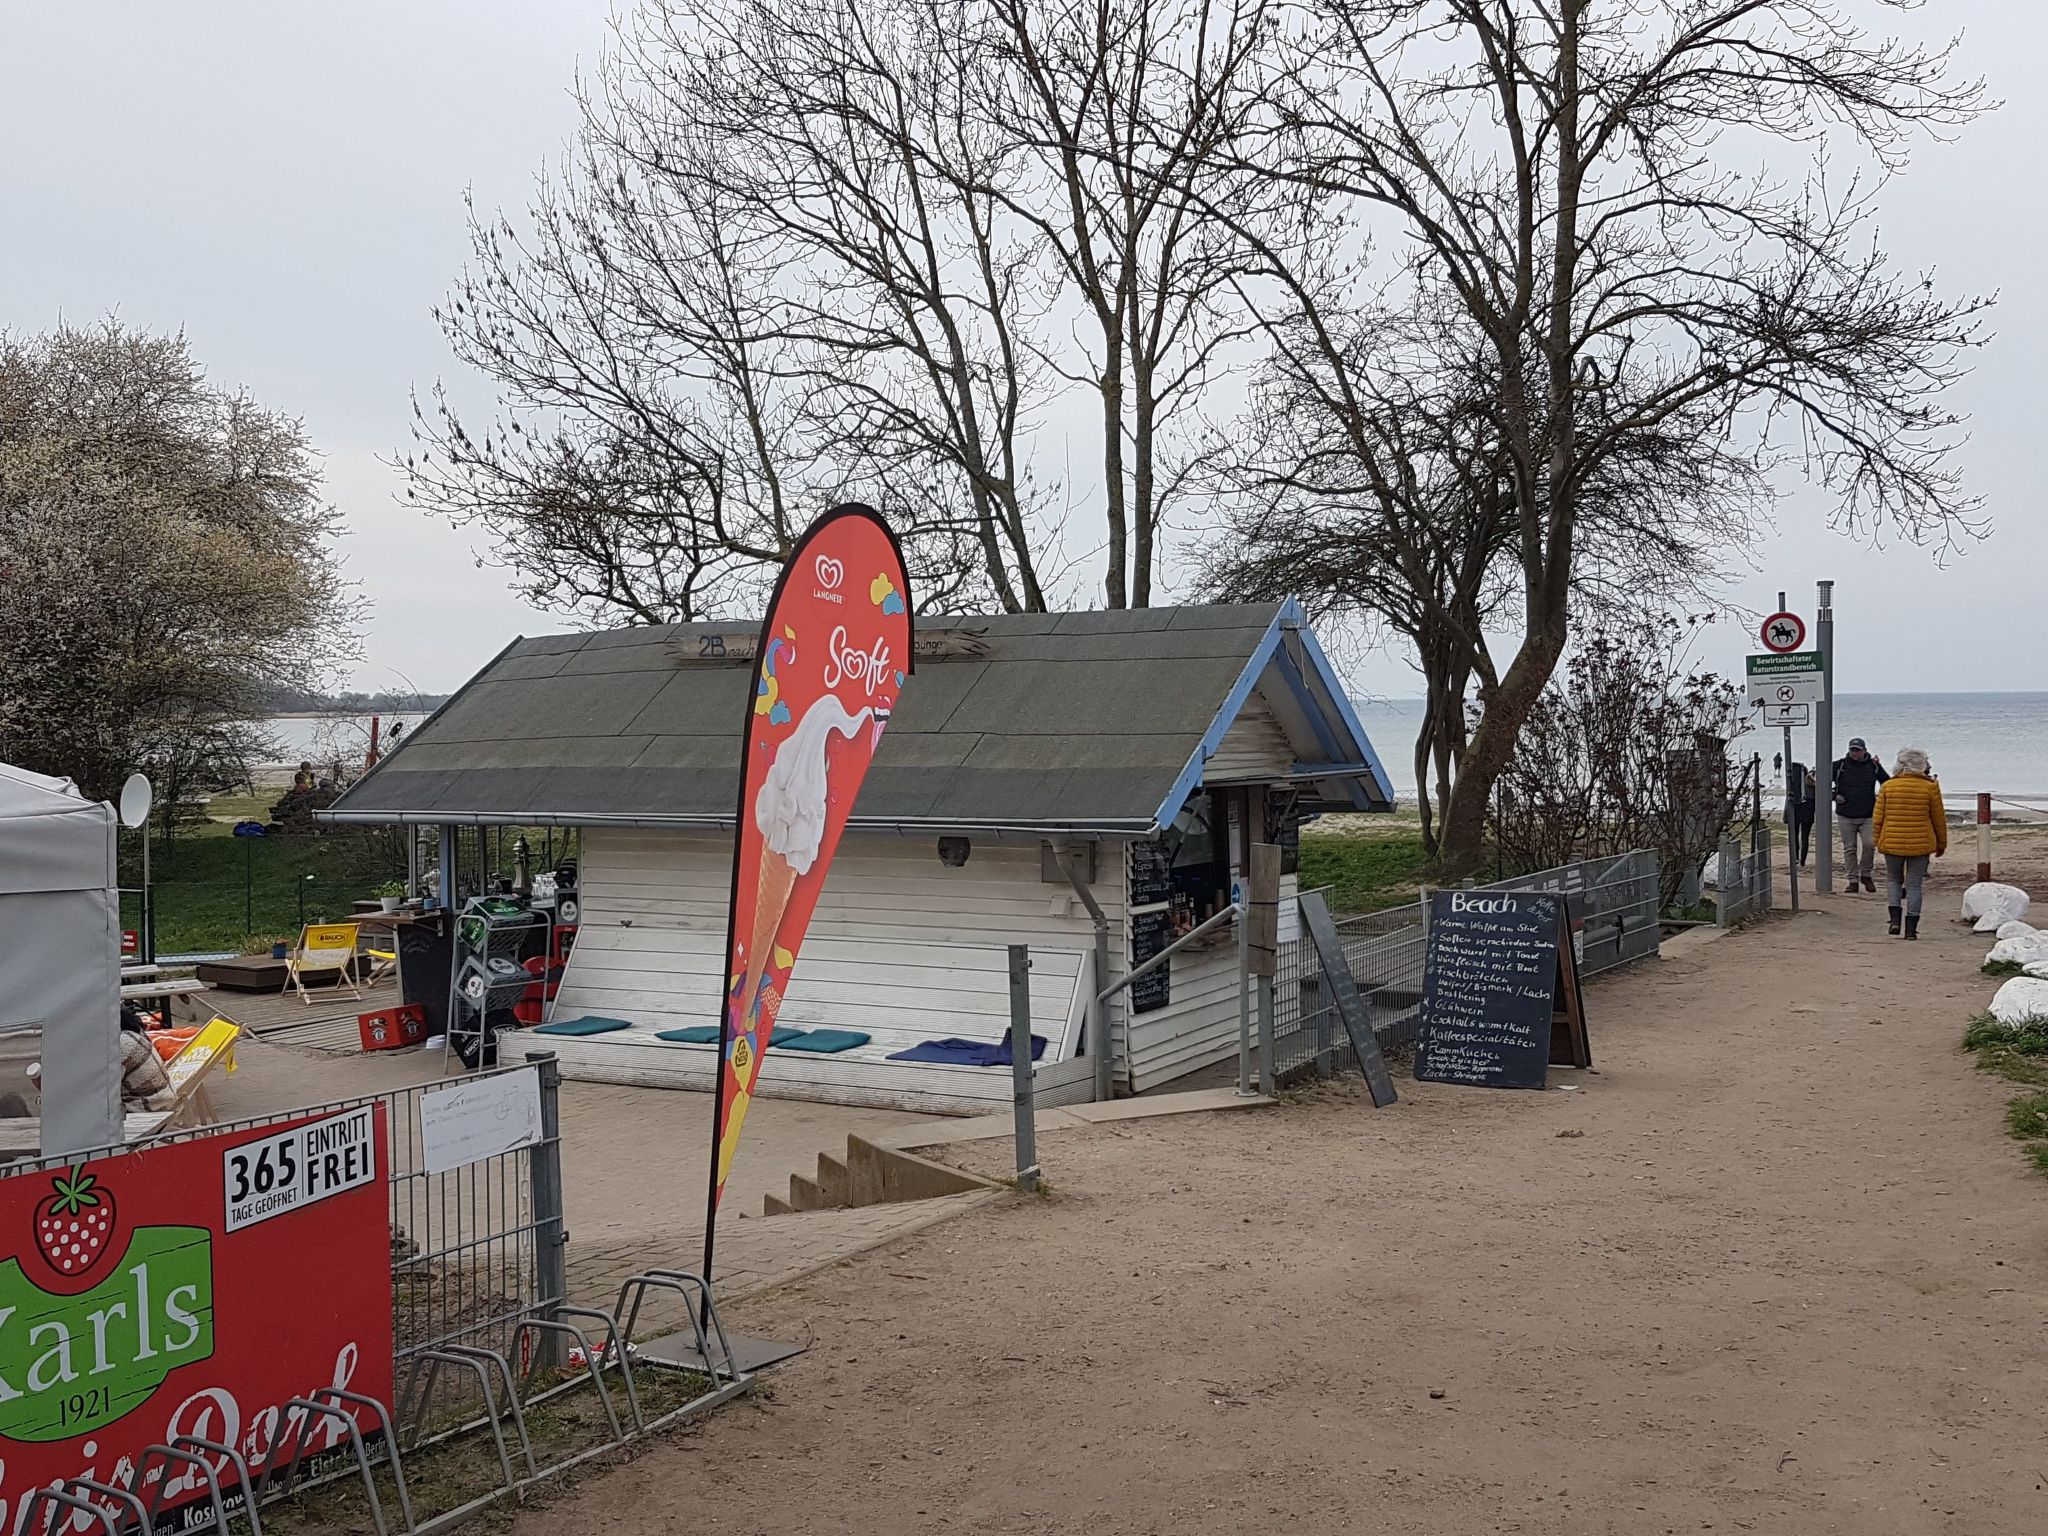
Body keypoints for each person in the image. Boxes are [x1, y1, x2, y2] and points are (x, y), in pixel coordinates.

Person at [1872, 748, 1945, 939]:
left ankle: (1895, 921)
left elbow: (1878, 818)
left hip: (1892, 841)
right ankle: (1911, 930)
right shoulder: (1930, 787)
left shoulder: (1888, 786)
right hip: (1920, 844)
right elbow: (1938, 819)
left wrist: (1877, 839)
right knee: (1914, 885)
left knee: (1893, 880)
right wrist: (1941, 844)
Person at [1832, 737, 1888, 893]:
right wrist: (1833, 795)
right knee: (1850, 848)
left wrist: (1881, 799)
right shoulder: (1840, 765)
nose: (1854, 753)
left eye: (1857, 750)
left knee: (1870, 845)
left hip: (1868, 814)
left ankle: (1866, 874)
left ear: (1864, 750)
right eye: (1852, 750)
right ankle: (1853, 880)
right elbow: (1817, 779)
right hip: (1845, 814)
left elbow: (1887, 783)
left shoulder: (1874, 766)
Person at [118, 1004, 178, 1110]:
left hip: (149, 1109)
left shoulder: (120, 1044)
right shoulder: (131, 1032)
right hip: (162, 1100)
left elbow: (103, 1092)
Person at [1795, 768, 1817, 865]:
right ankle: (1802, 861)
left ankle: (1796, 858)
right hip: (1808, 814)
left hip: (1798, 812)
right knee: (1805, 838)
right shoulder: (1814, 786)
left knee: (1795, 836)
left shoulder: (1798, 787)